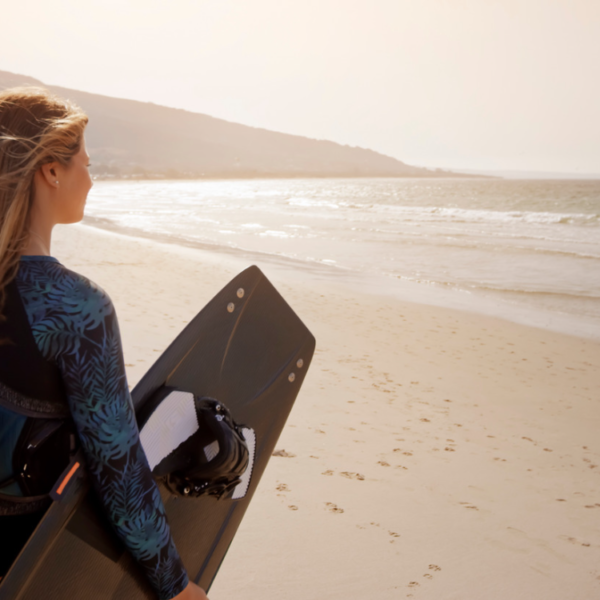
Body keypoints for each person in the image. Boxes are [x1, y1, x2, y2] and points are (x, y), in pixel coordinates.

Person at [0, 87, 209, 600]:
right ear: (51, 170)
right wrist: (175, 586)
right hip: (29, 565)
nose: (91, 179)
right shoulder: (75, 308)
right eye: (84, 164)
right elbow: (117, 469)